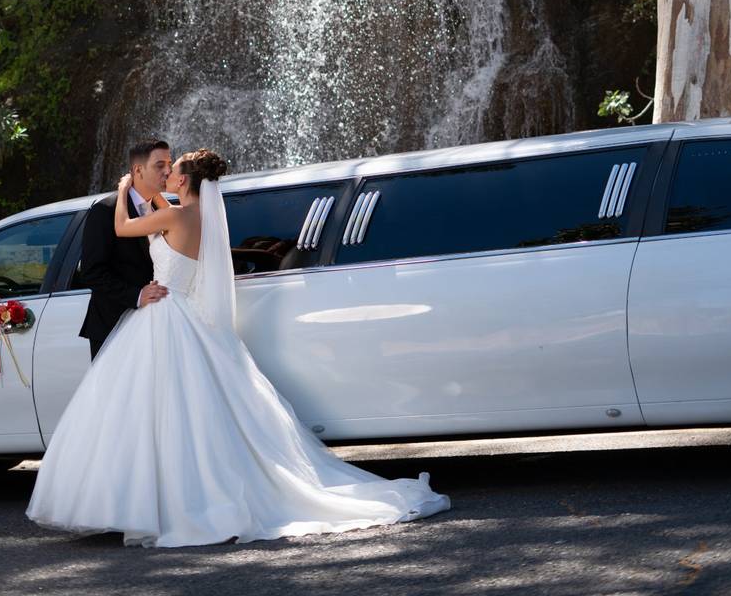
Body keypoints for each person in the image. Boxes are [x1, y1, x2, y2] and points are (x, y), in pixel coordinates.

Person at [27, 149, 450, 548]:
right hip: (182, 315)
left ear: (187, 181)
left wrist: (124, 189)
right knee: (192, 413)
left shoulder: (172, 215)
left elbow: (122, 228)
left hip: (166, 314)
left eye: (173, 170)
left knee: (160, 413)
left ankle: (161, 500)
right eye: (163, 166)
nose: (168, 173)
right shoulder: (195, 217)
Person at [78, 140, 172, 359]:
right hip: (114, 326)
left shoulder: (166, 210)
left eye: (170, 163)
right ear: (138, 170)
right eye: (160, 165)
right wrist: (137, 295)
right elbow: (91, 272)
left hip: (159, 325)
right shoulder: (105, 211)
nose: (168, 171)